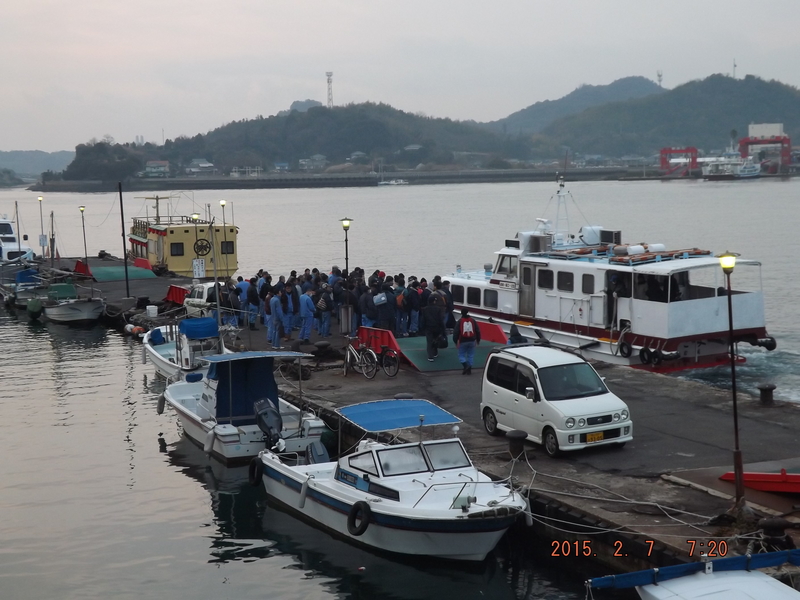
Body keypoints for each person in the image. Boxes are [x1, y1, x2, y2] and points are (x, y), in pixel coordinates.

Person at [453, 308, 481, 374]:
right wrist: (478, 339)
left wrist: (455, 341)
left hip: (463, 341)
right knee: (470, 355)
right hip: (472, 340)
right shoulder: (473, 320)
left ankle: (465, 366)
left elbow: (456, 332)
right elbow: (477, 331)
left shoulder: (460, 321)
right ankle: (469, 369)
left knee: (461, 355)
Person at [423, 293, 446, 362]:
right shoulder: (438, 309)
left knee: (429, 341)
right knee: (436, 340)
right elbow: (440, 319)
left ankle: (430, 356)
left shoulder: (425, 309)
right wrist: (443, 328)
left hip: (428, 327)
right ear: (434, 301)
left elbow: (423, 319)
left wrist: (423, 327)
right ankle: (435, 352)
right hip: (437, 327)